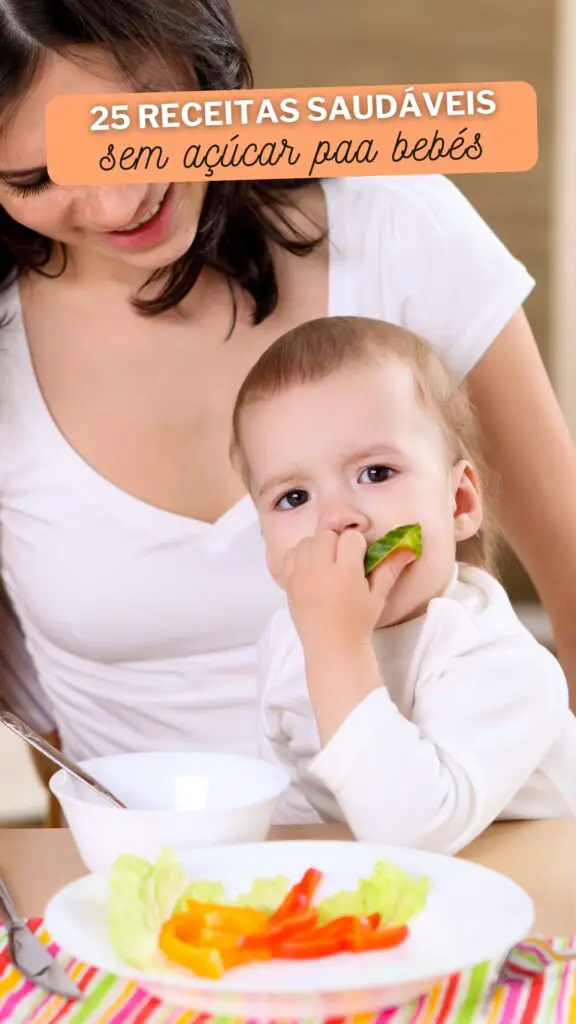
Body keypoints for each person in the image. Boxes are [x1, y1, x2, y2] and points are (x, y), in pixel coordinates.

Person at [1, 0, 576, 769]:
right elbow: (33, 722)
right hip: (145, 871)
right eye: (36, 178)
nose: (117, 200)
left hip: (448, 858)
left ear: (194, 53)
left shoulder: (396, 227)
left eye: (133, 131)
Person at [231, 316, 576, 853]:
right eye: (294, 498)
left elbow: (413, 832)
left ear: (459, 503)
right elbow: (296, 815)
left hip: (541, 917)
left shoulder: (501, 662)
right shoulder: (286, 645)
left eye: (376, 473)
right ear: (272, 554)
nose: (338, 519)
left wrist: (337, 649)